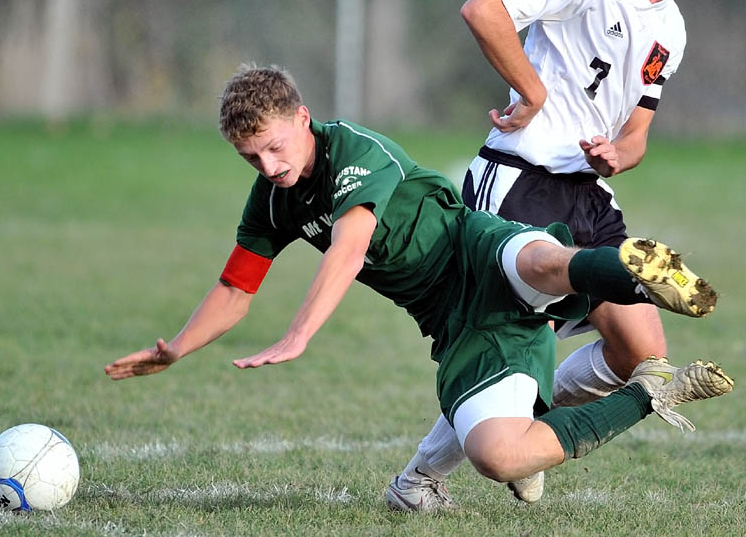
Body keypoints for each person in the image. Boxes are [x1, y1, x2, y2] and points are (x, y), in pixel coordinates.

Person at [105, 65, 731, 511]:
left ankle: (633, 268)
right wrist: (178, 347)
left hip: (473, 250)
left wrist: (298, 334)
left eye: (274, 147)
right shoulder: (273, 199)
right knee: (500, 456)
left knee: (542, 259)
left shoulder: (353, 148)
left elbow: (350, 247)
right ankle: (654, 394)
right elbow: (237, 286)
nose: (269, 167)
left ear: (303, 120)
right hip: (453, 323)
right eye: (251, 158)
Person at [386, 0, 718, 510]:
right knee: (501, 355)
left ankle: (527, 429)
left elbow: (638, 132)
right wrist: (533, 92)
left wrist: (619, 154)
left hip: (587, 196)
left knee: (641, 351)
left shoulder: (669, 29)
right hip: (519, 185)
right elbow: (483, 10)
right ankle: (420, 480)